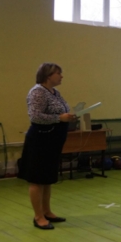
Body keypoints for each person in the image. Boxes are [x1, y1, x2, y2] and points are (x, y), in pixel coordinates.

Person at [18, 63, 78, 230]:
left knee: (47, 179)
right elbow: (35, 116)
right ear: (48, 75)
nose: (61, 76)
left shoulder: (54, 92)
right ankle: (38, 217)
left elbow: (59, 112)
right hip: (40, 140)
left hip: (53, 140)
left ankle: (47, 211)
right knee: (37, 179)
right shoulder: (37, 92)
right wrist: (60, 118)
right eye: (58, 73)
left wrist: (68, 117)